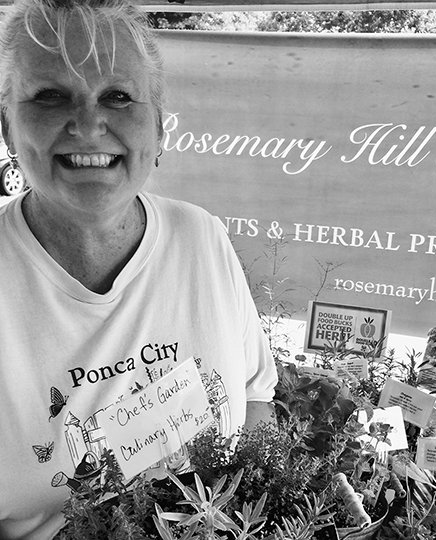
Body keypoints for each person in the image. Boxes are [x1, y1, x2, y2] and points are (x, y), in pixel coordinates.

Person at [0, 0, 278, 538]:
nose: (87, 125)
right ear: (8, 127)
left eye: (118, 97)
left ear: (158, 128)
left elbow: (254, 396)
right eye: (49, 96)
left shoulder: (200, 238)